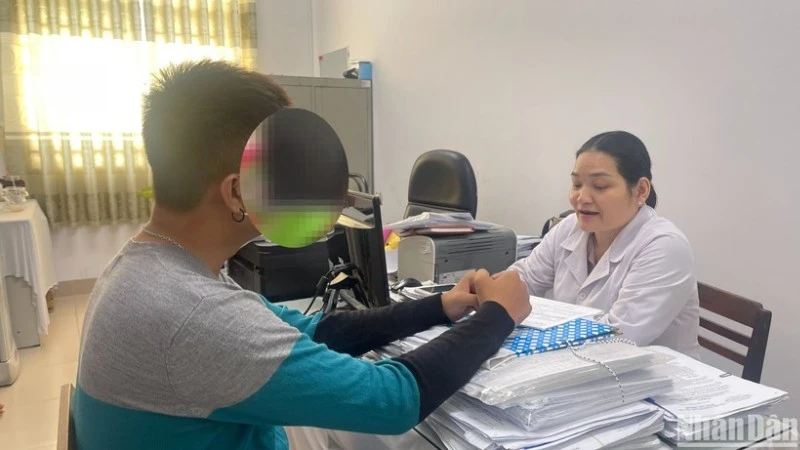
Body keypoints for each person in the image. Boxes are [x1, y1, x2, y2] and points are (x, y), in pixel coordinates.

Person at [72, 59, 531, 450]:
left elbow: (313, 330)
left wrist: (439, 305)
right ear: (237, 192)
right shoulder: (194, 313)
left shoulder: (155, 267)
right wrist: (498, 315)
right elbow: (393, 400)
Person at [507, 131, 700, 358]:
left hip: (653, 375)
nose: (582, 198)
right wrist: (486, 292)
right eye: (577, 184)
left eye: (599, 186)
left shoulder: (665, 246)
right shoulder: (570, 227)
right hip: (574, 365)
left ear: (641, 190)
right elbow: (522, 281)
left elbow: (619, 338)